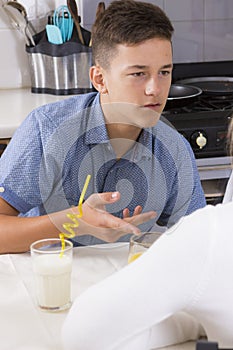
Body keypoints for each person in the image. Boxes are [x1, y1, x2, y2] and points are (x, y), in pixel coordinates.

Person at [0, 0, 205, 254]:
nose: (155, 89)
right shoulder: (47, 129)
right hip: (51, 280)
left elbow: (201, 241)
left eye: (164, 72)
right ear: (100, 79)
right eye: (138, 74)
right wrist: (74, 223)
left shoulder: (173, 150)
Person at [61, 121, 233, 350]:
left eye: (165, 81)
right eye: (137, 80)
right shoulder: (52, 129)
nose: (153, 89)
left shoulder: (209, 232)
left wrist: (195, 318)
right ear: (100, 82)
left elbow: (82, 333)